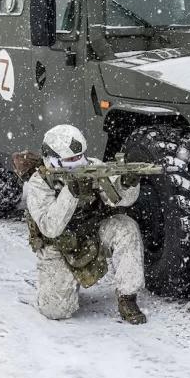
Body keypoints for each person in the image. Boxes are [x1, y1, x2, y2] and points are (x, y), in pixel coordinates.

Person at [24, 124, 147, 324]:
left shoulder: (93, 165)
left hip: (92, 232)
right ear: (53, 160)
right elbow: (50, 227)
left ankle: (128, 296)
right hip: (58, 246)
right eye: (71, 161)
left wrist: (126, 184)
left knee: (126, 227)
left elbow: (118, 199)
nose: (79, 163)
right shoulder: (39, 184)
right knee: (56, 311)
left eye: (80, 157)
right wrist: (71, 192)